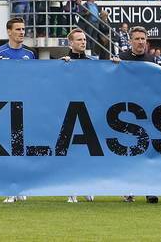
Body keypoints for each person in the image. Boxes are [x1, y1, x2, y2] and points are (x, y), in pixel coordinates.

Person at [111, 26, 161, 204]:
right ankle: (128, 190)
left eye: (143, 39)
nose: (140, 42)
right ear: (130, 40)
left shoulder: (153, 60)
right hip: (126, 112)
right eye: (137, 39)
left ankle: (150, 190)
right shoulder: (121, 59)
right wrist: (113, 67)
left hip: (148, 112)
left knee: (149, 153)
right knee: (128, 150)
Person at [0, 18, 34, 203]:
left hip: (24, 105)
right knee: (7, 147)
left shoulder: (30, 54)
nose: (22, 32)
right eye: (18, 29)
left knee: (21, 148)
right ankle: (10, 187)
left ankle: (20, 186)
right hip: (4, 106)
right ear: (9, 31)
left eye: (23, 29)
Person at [59, 30, 96, 204]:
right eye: (79, 39)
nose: (83, 42)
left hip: (87, 111)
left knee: (87, 151)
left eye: (84, 39)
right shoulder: (63, 62)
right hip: (68, 111)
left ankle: (87, 186)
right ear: (70, 43)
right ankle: (71, 191)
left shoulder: (92, 63)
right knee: (70, 152)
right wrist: (61, 66)